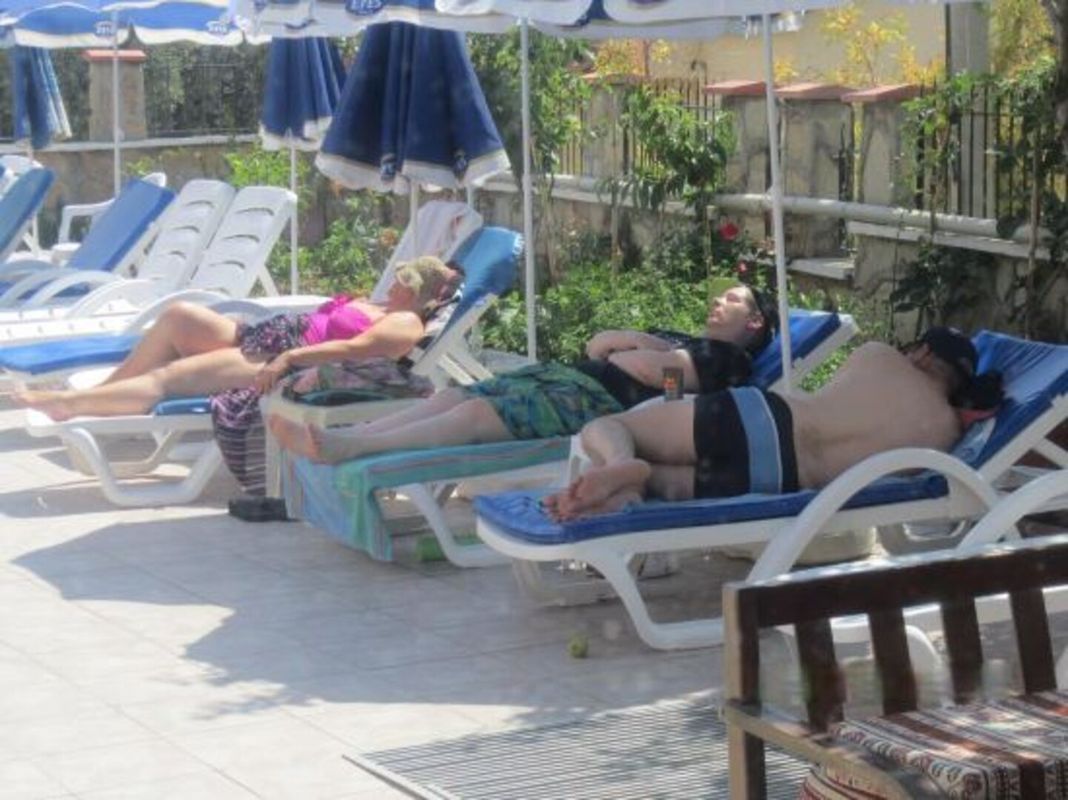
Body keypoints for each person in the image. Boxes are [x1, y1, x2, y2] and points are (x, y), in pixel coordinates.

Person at [14, 256, 460, 493]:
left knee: (170, 376)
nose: (392, 283)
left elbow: (354, 350)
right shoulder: (384, 307)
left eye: (402, 280)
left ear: (415, 292)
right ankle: (105, 394)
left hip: (278, 356)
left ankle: (69, 405)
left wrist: (288, 359)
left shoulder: (405, 321)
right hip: (266, 336)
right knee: (179, 316)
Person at [267, 284, 779, 464]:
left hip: (595, 404)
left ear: (754, 322)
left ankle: (351, 448)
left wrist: (646, 355)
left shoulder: (728, 358)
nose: (718, 301)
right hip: (568, 377)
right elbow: (598, 344)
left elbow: (661, 380)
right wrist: (645, 346)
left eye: (732, 300)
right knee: (454, 397)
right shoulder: (683, 342)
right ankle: (355, 433)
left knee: (473, 414)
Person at [544, 326, 1004, 520]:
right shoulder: (945, 431)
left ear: (922, 351)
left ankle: (620, 464)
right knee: (660, 485)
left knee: (615, 427)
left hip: (761, 417)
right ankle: (627, 490)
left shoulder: (881, 356)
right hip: (779, 478)